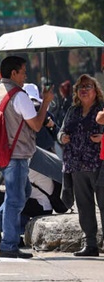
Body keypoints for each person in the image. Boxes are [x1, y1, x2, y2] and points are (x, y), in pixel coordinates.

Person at [0, 56, 52, 259]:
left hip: (1, 153)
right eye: (23, 72)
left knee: (24, 191)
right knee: (15, 200)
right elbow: (36, 125)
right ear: (13, 73)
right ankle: (9, 245)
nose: (25, 76)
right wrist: (46, 103)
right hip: (17, 154)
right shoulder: (19, 96)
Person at [59, 74, 104, 257]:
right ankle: (90, 244)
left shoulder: (102, 109)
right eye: (80, 87)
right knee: (84, 207)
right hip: (76, 165)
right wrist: (62, 137)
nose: (84, 90)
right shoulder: (73, 110)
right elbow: (61, 130)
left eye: (88, 86)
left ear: (96, 91)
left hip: (98, 165)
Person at [0, 169, 66, 247]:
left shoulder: (32, 170)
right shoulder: (35, 167)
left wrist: (0, 191)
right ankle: (6, 234)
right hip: (36, 203)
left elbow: (18, 191)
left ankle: (3, 230)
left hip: (41, 206)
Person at [22, 83, 58, 153]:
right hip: (46, 152)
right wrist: (52, 125)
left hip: (26, 152)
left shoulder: (19, 112)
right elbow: (56, 135)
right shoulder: (45, 112)